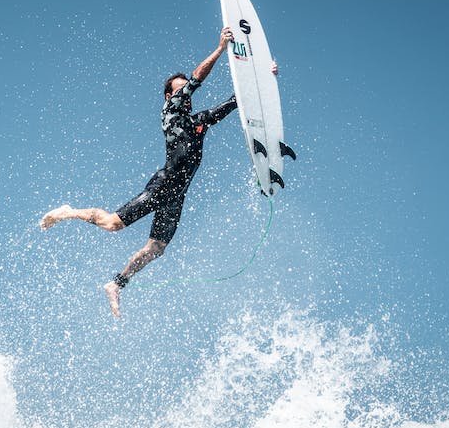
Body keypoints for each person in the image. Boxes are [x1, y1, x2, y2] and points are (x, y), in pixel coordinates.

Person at [40, 27, 278, 317]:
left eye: (185, 90)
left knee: (156, 249)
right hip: (163, 185)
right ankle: (67, 211)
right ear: (170, 95)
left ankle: (116, 284)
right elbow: (198, 78)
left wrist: (265, 77)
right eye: (180, 89)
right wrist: (220, 49)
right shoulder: (170, 112)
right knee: (113, 224)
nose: (185, 92)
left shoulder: (197, 121)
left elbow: (235, 101)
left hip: (177, 195)